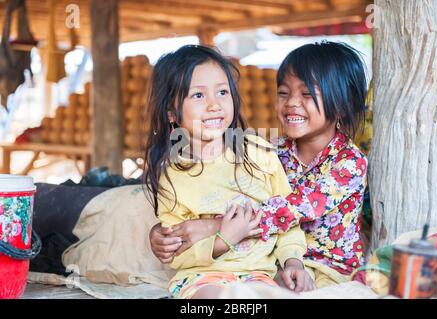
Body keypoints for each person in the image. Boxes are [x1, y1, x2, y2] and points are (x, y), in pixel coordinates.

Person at [150, 41, 369, 289]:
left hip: (325, 268)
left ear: (341, 105)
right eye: (283, 93)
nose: (291, 103)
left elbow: (287, 212)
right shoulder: (269, 151)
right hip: (269, 262)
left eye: (307, 94)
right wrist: (165, 232)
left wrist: (214, 226)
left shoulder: (348, 163)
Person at [143, 44, 313, 299]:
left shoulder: (259, 153)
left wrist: (293, 261)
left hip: (258, 274)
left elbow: (286, 218)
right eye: (198, 96)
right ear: (171, 112)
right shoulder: (173, 177)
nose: (214, 105)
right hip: (202, 278)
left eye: (222, 92)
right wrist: (225, 239)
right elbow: (175, 251)